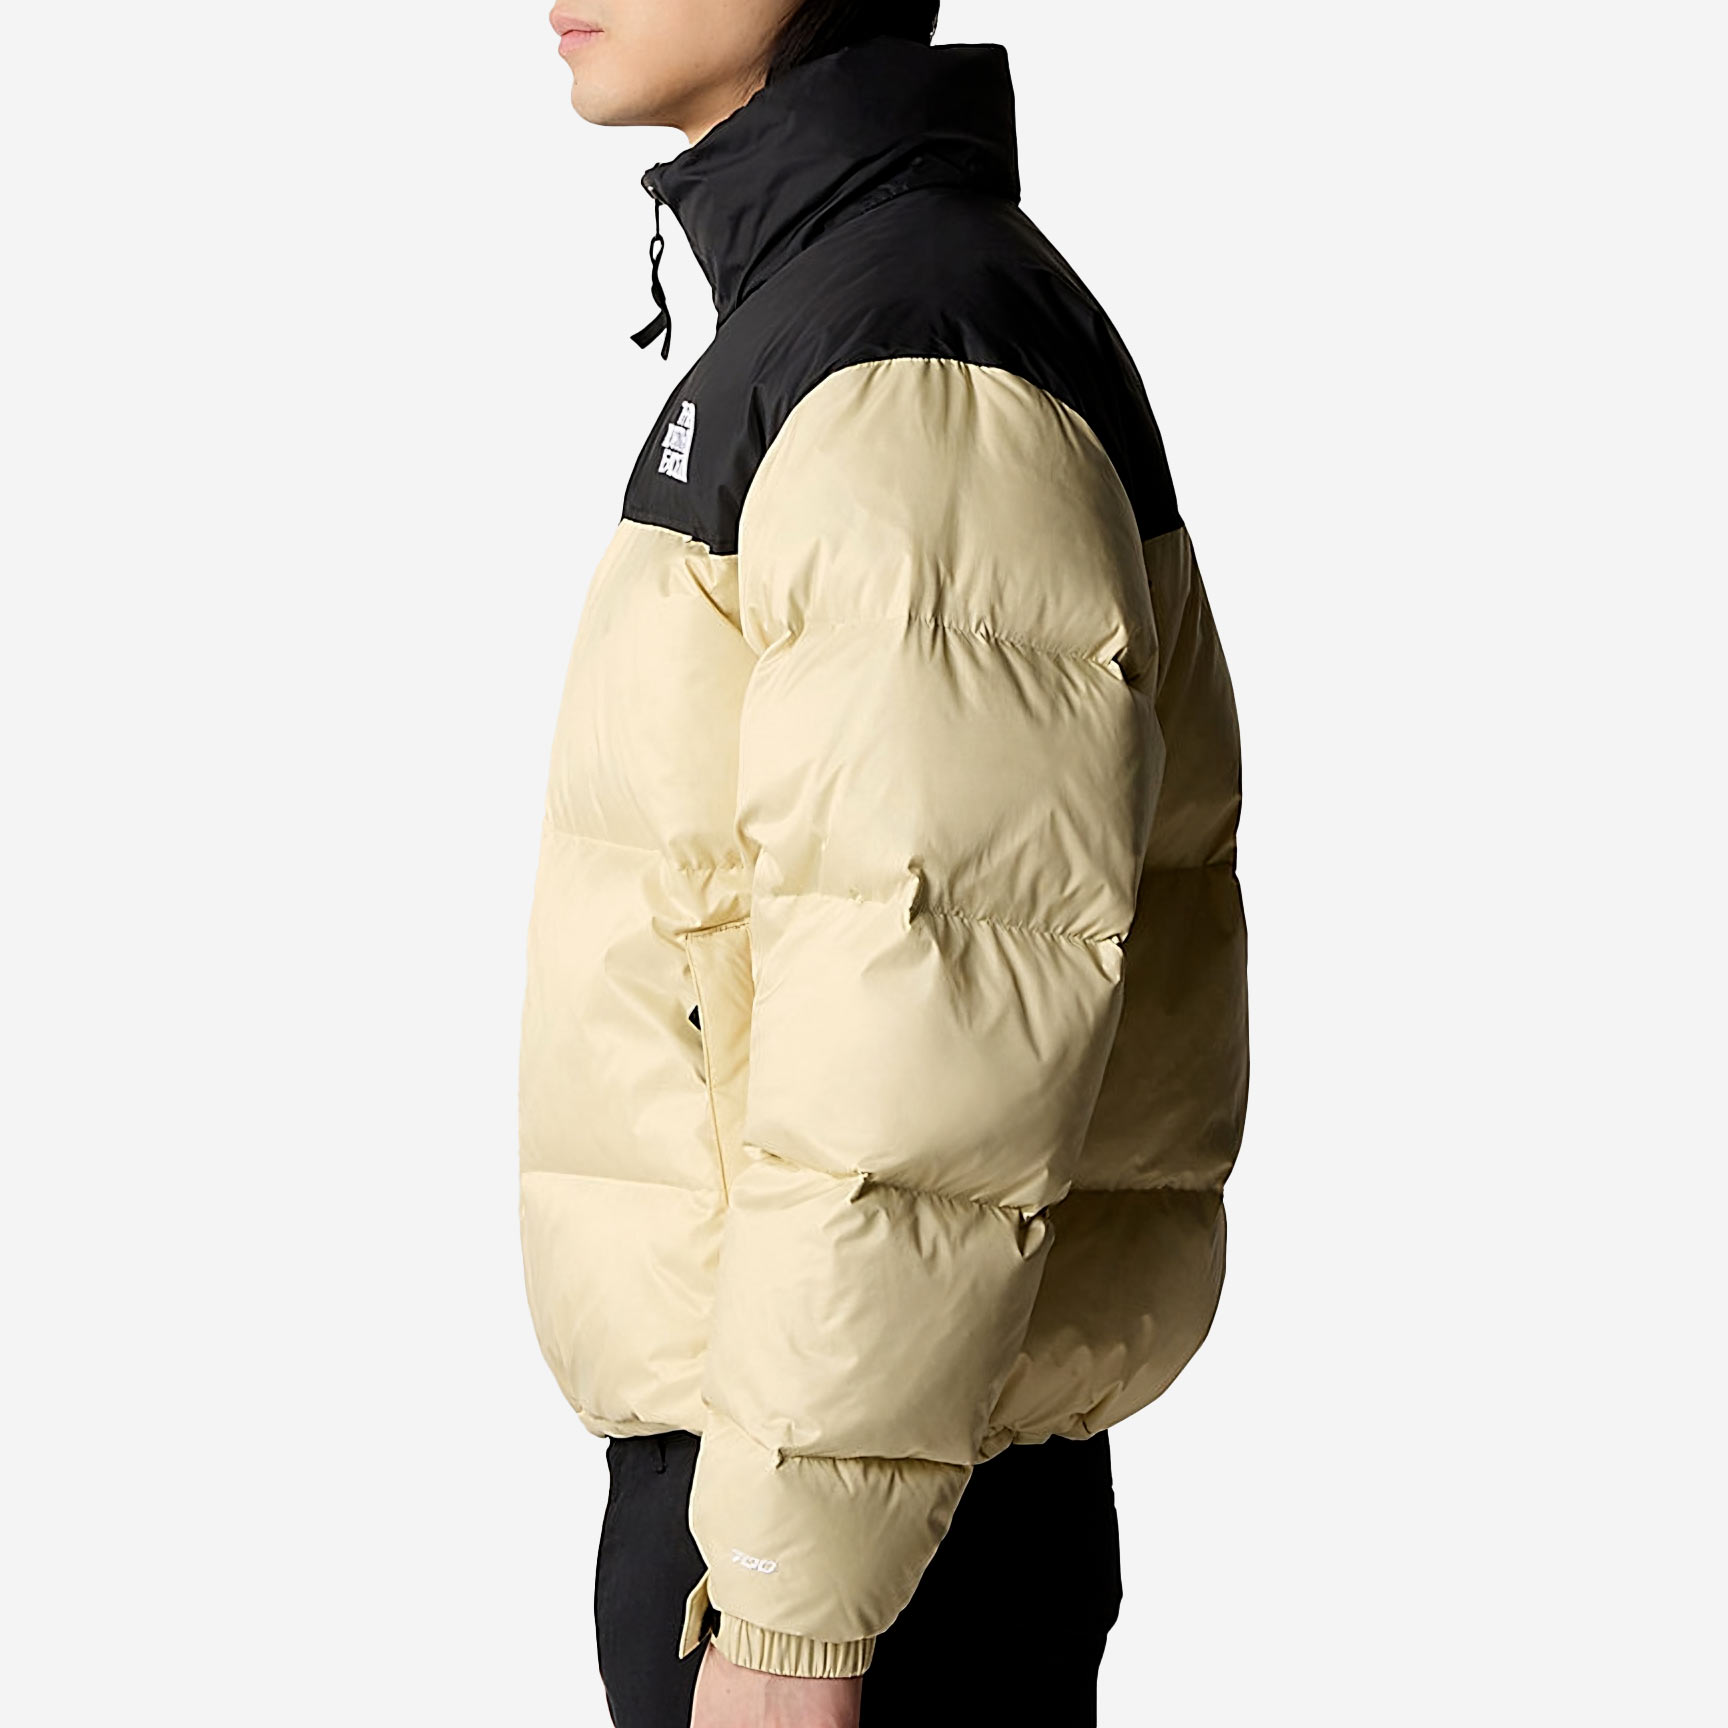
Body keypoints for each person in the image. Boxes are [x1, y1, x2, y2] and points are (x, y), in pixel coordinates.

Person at [522, 4, 1249, 1724]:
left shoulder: (906, 356)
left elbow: (923, 1013)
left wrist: (791, 1613)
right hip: (835, 1488)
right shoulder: (847, 319)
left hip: (857, 1546)